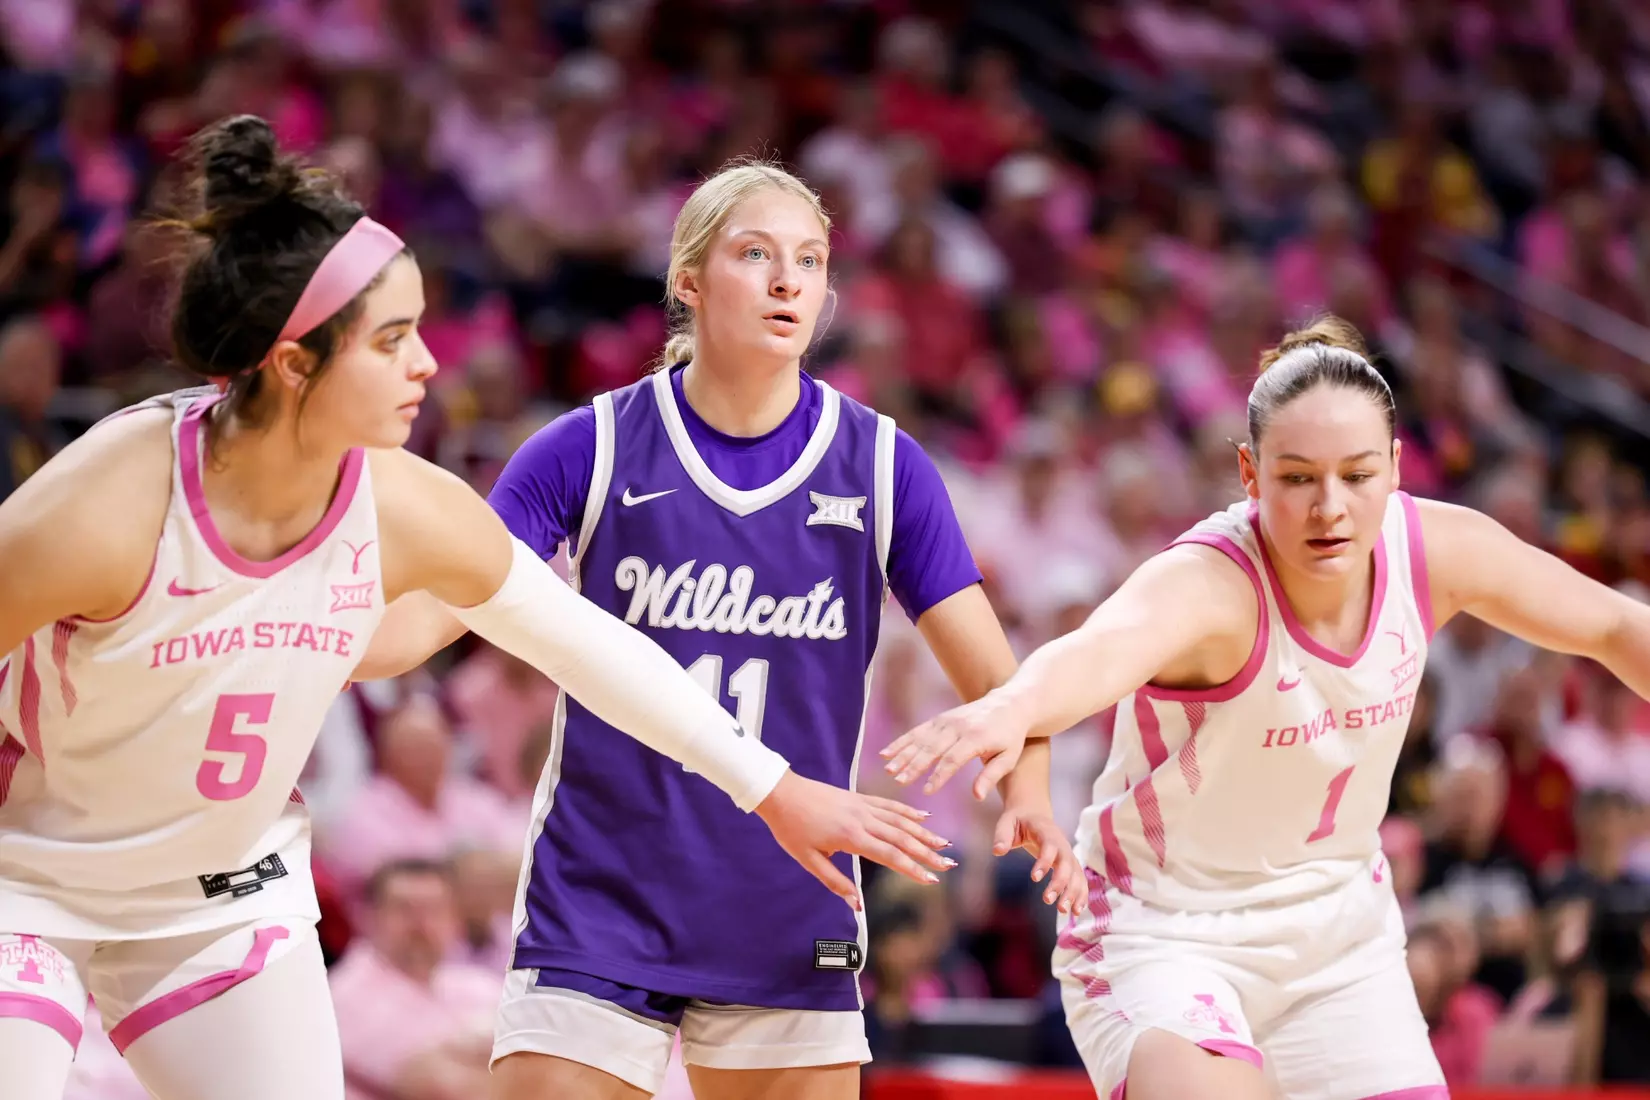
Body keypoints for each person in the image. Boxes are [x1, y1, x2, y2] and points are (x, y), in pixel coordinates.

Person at [0, 117, 949, 1100]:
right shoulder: (109, 503)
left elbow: (594, 648)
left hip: (218, 896)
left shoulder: (409, 504)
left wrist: (770, 786)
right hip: (26, 880)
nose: (429, 364)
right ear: (294, 363)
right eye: (394, 338)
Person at [355, 159, 1086, 1100]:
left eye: (810, 260)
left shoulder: (881, 467)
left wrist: (1029, 784)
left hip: (789, 894)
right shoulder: (591, 445)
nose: (789, 280)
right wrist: (320, 643)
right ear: (689, 279)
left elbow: (1001, 682)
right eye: (756, 254)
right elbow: (438, 613)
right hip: (605, 888)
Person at [883, 314, 1650, 1100]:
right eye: (1297, 478)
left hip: (1340, 939)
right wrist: (1014, 707)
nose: (1330, 508)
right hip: (1166, 931)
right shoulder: (1211, 582)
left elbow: (1615, 624)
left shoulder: (1436, 550)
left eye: (1356, 476)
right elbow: (1095, 653)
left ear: (1393, 467)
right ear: (1249, 474)